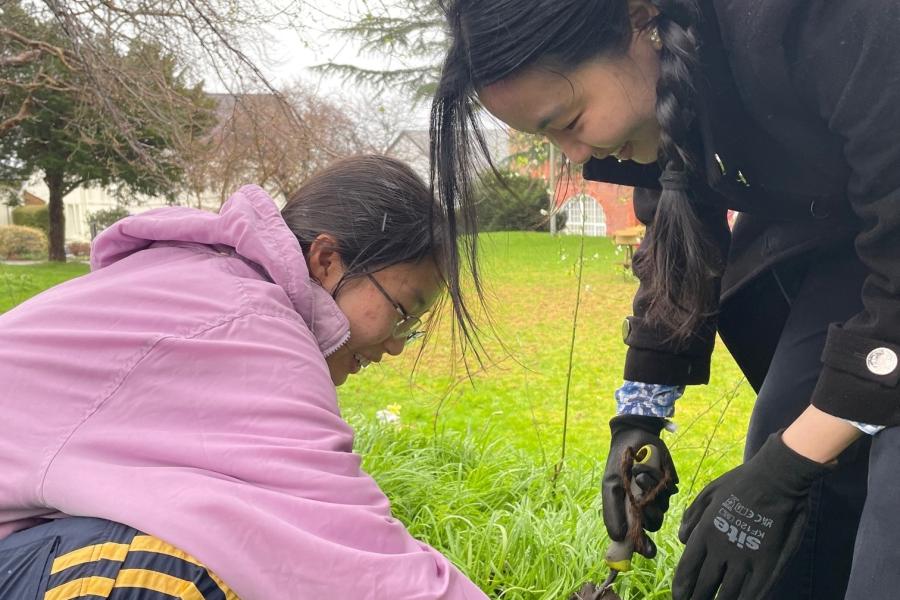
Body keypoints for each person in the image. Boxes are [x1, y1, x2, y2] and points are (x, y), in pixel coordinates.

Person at [429, 0, 900, 599]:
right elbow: (680, 226)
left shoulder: (820, 19)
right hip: (851, 239)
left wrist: (792, 466)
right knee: (785, 464)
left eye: (569, 120)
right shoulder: (671, 74)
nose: (577, 156)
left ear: (638, 19)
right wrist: (639, 417)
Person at [0, 155, 488, 599]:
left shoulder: (205, 284)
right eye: (402, 311)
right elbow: (340, 547)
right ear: (326, 260)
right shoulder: (248, 322)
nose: (397, 344)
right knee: (171, 573)